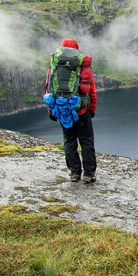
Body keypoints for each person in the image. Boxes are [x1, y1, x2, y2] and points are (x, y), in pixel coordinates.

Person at [45, 38, 97, 183]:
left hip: (63, 110)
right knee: (86, 141)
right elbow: (91, 90)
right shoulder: (81, 64)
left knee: (69, 141)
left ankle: (74, 173)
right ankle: (89, 174)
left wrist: (51, 111)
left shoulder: (54, 65)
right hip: (80, 111)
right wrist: (91, 109)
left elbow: (49, 89)